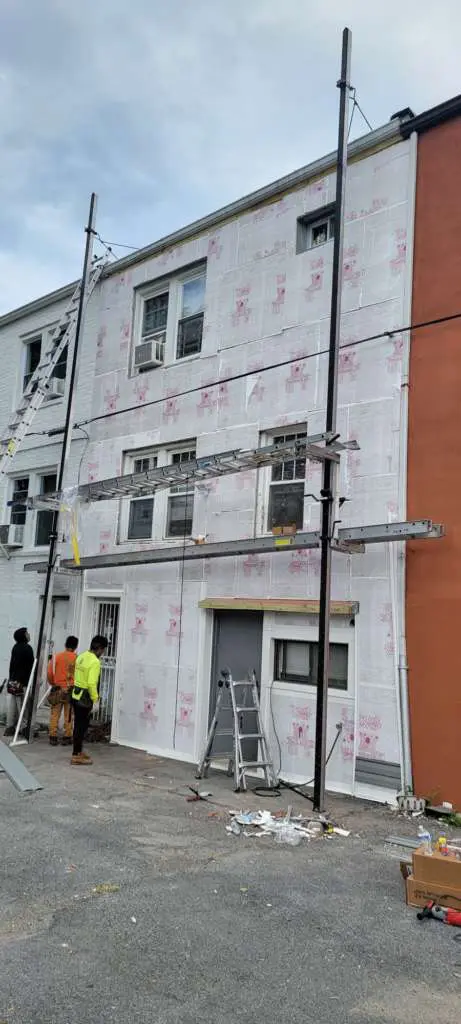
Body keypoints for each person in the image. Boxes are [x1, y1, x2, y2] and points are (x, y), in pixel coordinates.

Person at [71, 635, 108, 766]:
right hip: (85, 698)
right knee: (82, 727)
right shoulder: (95, 662)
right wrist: (96, 699)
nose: (102, 654)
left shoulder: (81, 656)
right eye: (103, 651)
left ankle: (78, 751)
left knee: (78, 725)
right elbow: (92, 683)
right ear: (100, 649)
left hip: (75, 694)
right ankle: (76, 755)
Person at [47, 636, 79, 747]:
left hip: (57, 689)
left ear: (65, 644)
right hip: (71, 690)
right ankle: (67, 736)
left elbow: (50, 673)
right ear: (75, 647)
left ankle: (53, 736)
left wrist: (53, 683)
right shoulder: (77, 659)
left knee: (55, 714)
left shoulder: (56, 657)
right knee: (69, 715)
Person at [4, 627, 34, 737]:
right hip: (22, 682)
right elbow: (31, 666)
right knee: (23, 706)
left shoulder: (15, 647)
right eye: (27, 633)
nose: (29, 635)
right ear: (23, 636)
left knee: (12, 705)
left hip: (13, 680)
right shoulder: (27, 648)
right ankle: (24, 728)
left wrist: (11, 678)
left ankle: (9, 727)